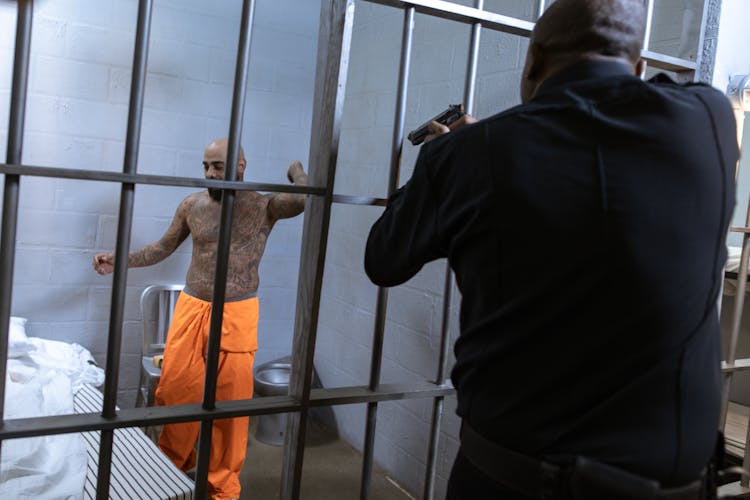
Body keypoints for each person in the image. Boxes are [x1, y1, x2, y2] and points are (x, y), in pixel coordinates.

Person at [364, 0, 738, 499]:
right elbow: (592, 132)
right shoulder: (707, 119)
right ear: (640, 66)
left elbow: (383, 259)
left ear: (533, 60)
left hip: (508, 482)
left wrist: (449, 155)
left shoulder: (463, 157)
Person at [93, 138, 308, 500]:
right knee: (175, 392)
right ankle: (171, 470)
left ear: (240, 165)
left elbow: (305, 200)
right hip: (191, 310)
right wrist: (121, 260)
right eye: (206, 166)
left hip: (237, 313)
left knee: (230, 408)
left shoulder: (262, 205)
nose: (210, 173)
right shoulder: (192, 205)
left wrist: (297, 171)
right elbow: (162, 248)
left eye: (218, 166)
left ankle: (221, 488)